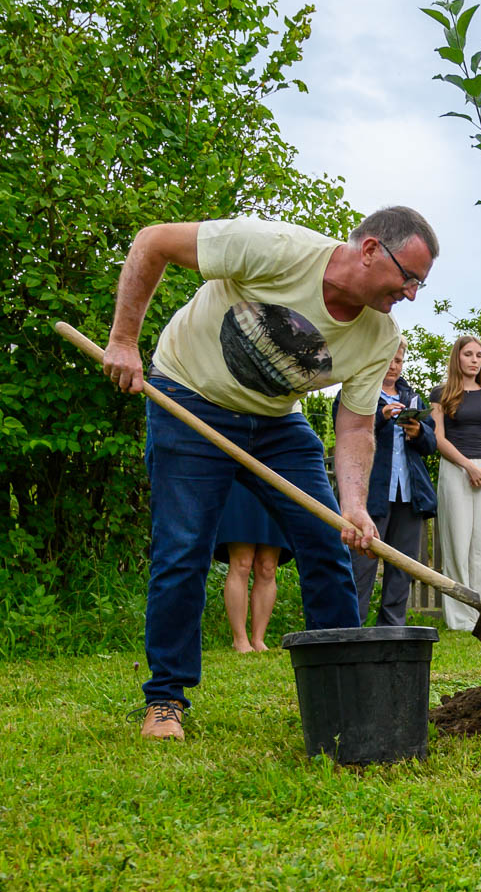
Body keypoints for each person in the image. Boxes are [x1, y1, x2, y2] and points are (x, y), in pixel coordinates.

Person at [103, 206, 438, 740]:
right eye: (409, 277)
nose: (412, 293)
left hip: (277, 422)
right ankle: (166, 699)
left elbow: (354, 428)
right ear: (372, 249)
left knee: (329, 543)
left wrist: (352, 506)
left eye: (419, 283)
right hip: (190, 396)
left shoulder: (378, 336)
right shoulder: (276, 248)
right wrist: (123, 340)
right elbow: (153, 240)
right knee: (182, 549)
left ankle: (344, 693)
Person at [335, 341, 438, 627]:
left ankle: (392, 627)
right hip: (371, 494)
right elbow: (342, 430)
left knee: (403, 564)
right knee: (362, 563)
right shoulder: (355, 391)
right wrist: (379, 419)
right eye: (389, 359)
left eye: (399, 360)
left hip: (409, 493)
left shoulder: (413, 397)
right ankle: (351, 625)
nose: (394, 365)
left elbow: (431, 445)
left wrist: (418, 431)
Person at [430, 335, 481, 630]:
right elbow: (438, 438)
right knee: (458, 541)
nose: (475, 360)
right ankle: (461, 618)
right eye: (469, 354)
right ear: (457, 358)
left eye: (479, 355)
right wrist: (468, 466)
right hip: (457, 470)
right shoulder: (441, 393)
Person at [214, 480, 292, 652]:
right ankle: (240, 640)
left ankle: (258, 639)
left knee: (268, 566)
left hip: (275, 474)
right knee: (242, 562)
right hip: (239, 475)